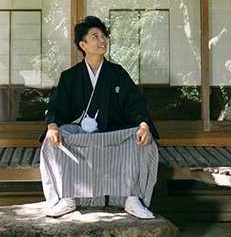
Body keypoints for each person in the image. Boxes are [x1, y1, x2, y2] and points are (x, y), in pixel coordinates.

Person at [40, 15, 160, 219]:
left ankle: (131, 198)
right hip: (80, 134)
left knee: (137, 137)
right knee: (56, 140)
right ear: (83, 44)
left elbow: (134, 103)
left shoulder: (117, 73)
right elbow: (56, 107)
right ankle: (68, 197)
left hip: (112, 131)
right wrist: (52, 126)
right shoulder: (70, 77)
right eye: (95, 36)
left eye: (103, 35)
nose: (102, 40)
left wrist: (143, 125)